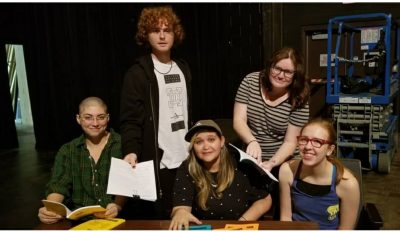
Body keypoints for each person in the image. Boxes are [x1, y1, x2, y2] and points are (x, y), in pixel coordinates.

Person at [119, 5, 192, 219]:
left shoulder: (183, 68)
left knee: (187, 214)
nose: (161, 36)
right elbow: (130, 120)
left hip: (187, 157)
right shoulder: (138, 74)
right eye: (155, 30)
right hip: (159, 160)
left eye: (167, 30)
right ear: (146, 35)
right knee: (161, 217)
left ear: (174, 34)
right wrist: (131, 150)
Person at [169, 120, 272, 230]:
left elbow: (265, 199)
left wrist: (240, 224)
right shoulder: (187, 168)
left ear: (222, 141)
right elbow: (181, 205)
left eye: (211, 139)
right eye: (198, 142)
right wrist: (180, 212)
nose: (206, 146)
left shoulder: (241, 164)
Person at [38, 97, 124, 224]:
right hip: (82, 222)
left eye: (100, 117)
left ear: (108, 118)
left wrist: (118, 205)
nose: (95, 123)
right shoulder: (68, 150)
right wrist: (51, 209)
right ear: (78, 119)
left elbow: (129, 183)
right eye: (88, 117)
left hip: (118, 219)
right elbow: (59, 184)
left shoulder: (123, 144)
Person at [233, 47, 310, 172]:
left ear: (296, 75)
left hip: (283, 160)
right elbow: (238, 120)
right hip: (252, 155)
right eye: (277, 68)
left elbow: (290, 142)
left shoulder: (299, 97)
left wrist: (271, 163)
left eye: (288, 72)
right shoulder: (251, 81)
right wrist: (252, 141)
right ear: (270, 66)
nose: (280, 75)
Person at [279, 118, 360, 230]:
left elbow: (345, 229)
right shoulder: (287, 171)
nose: (308, 147)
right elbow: (285, 218)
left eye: (317, 142)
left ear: (330, 150)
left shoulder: (347, 184)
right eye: (304, 140)